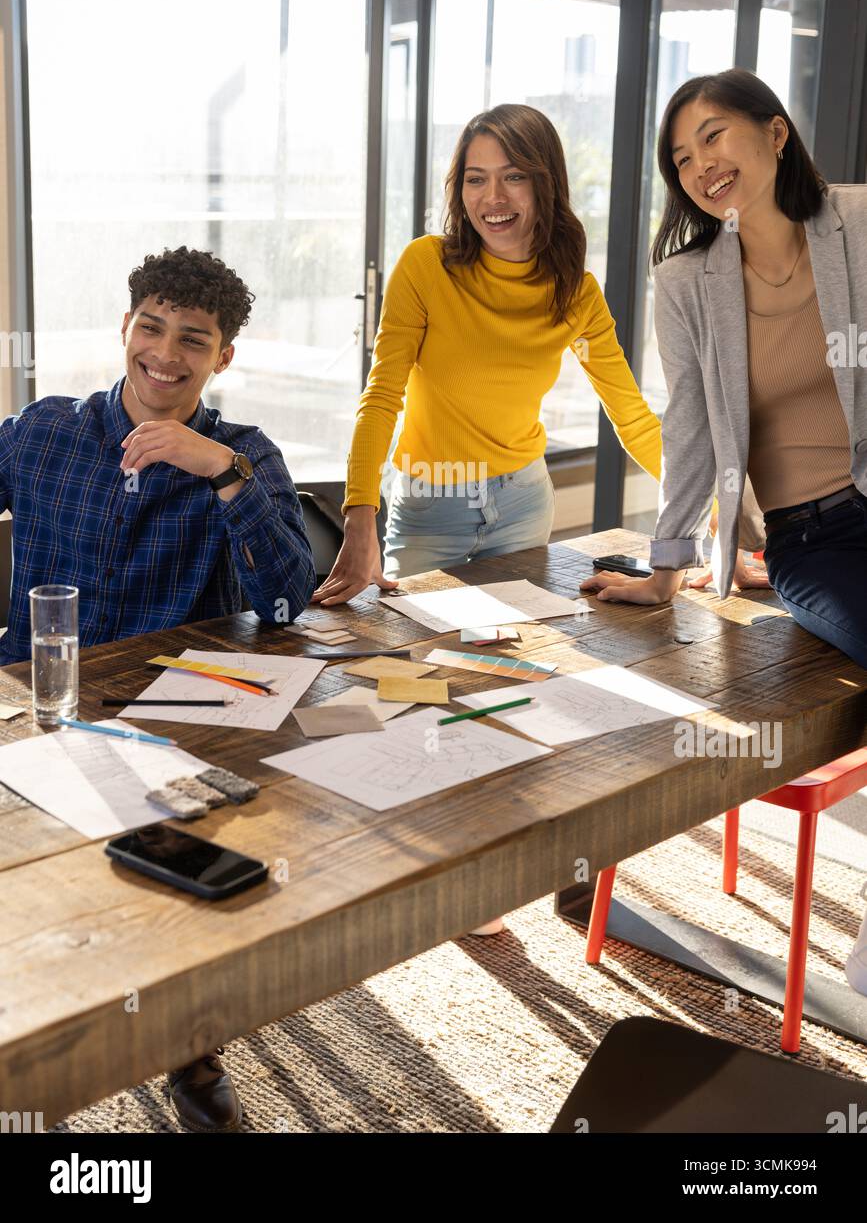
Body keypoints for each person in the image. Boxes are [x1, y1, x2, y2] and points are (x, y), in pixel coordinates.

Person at [313, 102, 766, 934]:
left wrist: (714, 513)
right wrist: (359, 516)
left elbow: (629, 413)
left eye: (513, 176)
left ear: (544, 184)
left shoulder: (572, 288)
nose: (494, 197)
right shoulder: (425, 266)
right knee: (427, 683)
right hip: (433, 500)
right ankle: (440, 860)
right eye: (476, 178)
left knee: (511, 683)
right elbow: (381, 394)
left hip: (521, 495)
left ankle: (515, 856)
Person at [0, 245, 317, 1126]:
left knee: (179, 895)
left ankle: (190, 1048)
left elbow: (287, 602)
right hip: (33, 709)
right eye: (152, 328)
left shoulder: (245, 455)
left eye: (194, 338)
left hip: (170, 723)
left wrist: (217, 471)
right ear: (126, 327)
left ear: (223, 357)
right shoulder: (42, 431)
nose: (166, 354)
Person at [578, 67, 867, 994]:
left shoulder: (859, 224)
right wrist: (668, 566)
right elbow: (692, 428)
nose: (699, 164)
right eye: (680, 155)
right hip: (811, 541)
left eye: (714, 137)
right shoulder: (687, 280)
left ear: (775, 135)